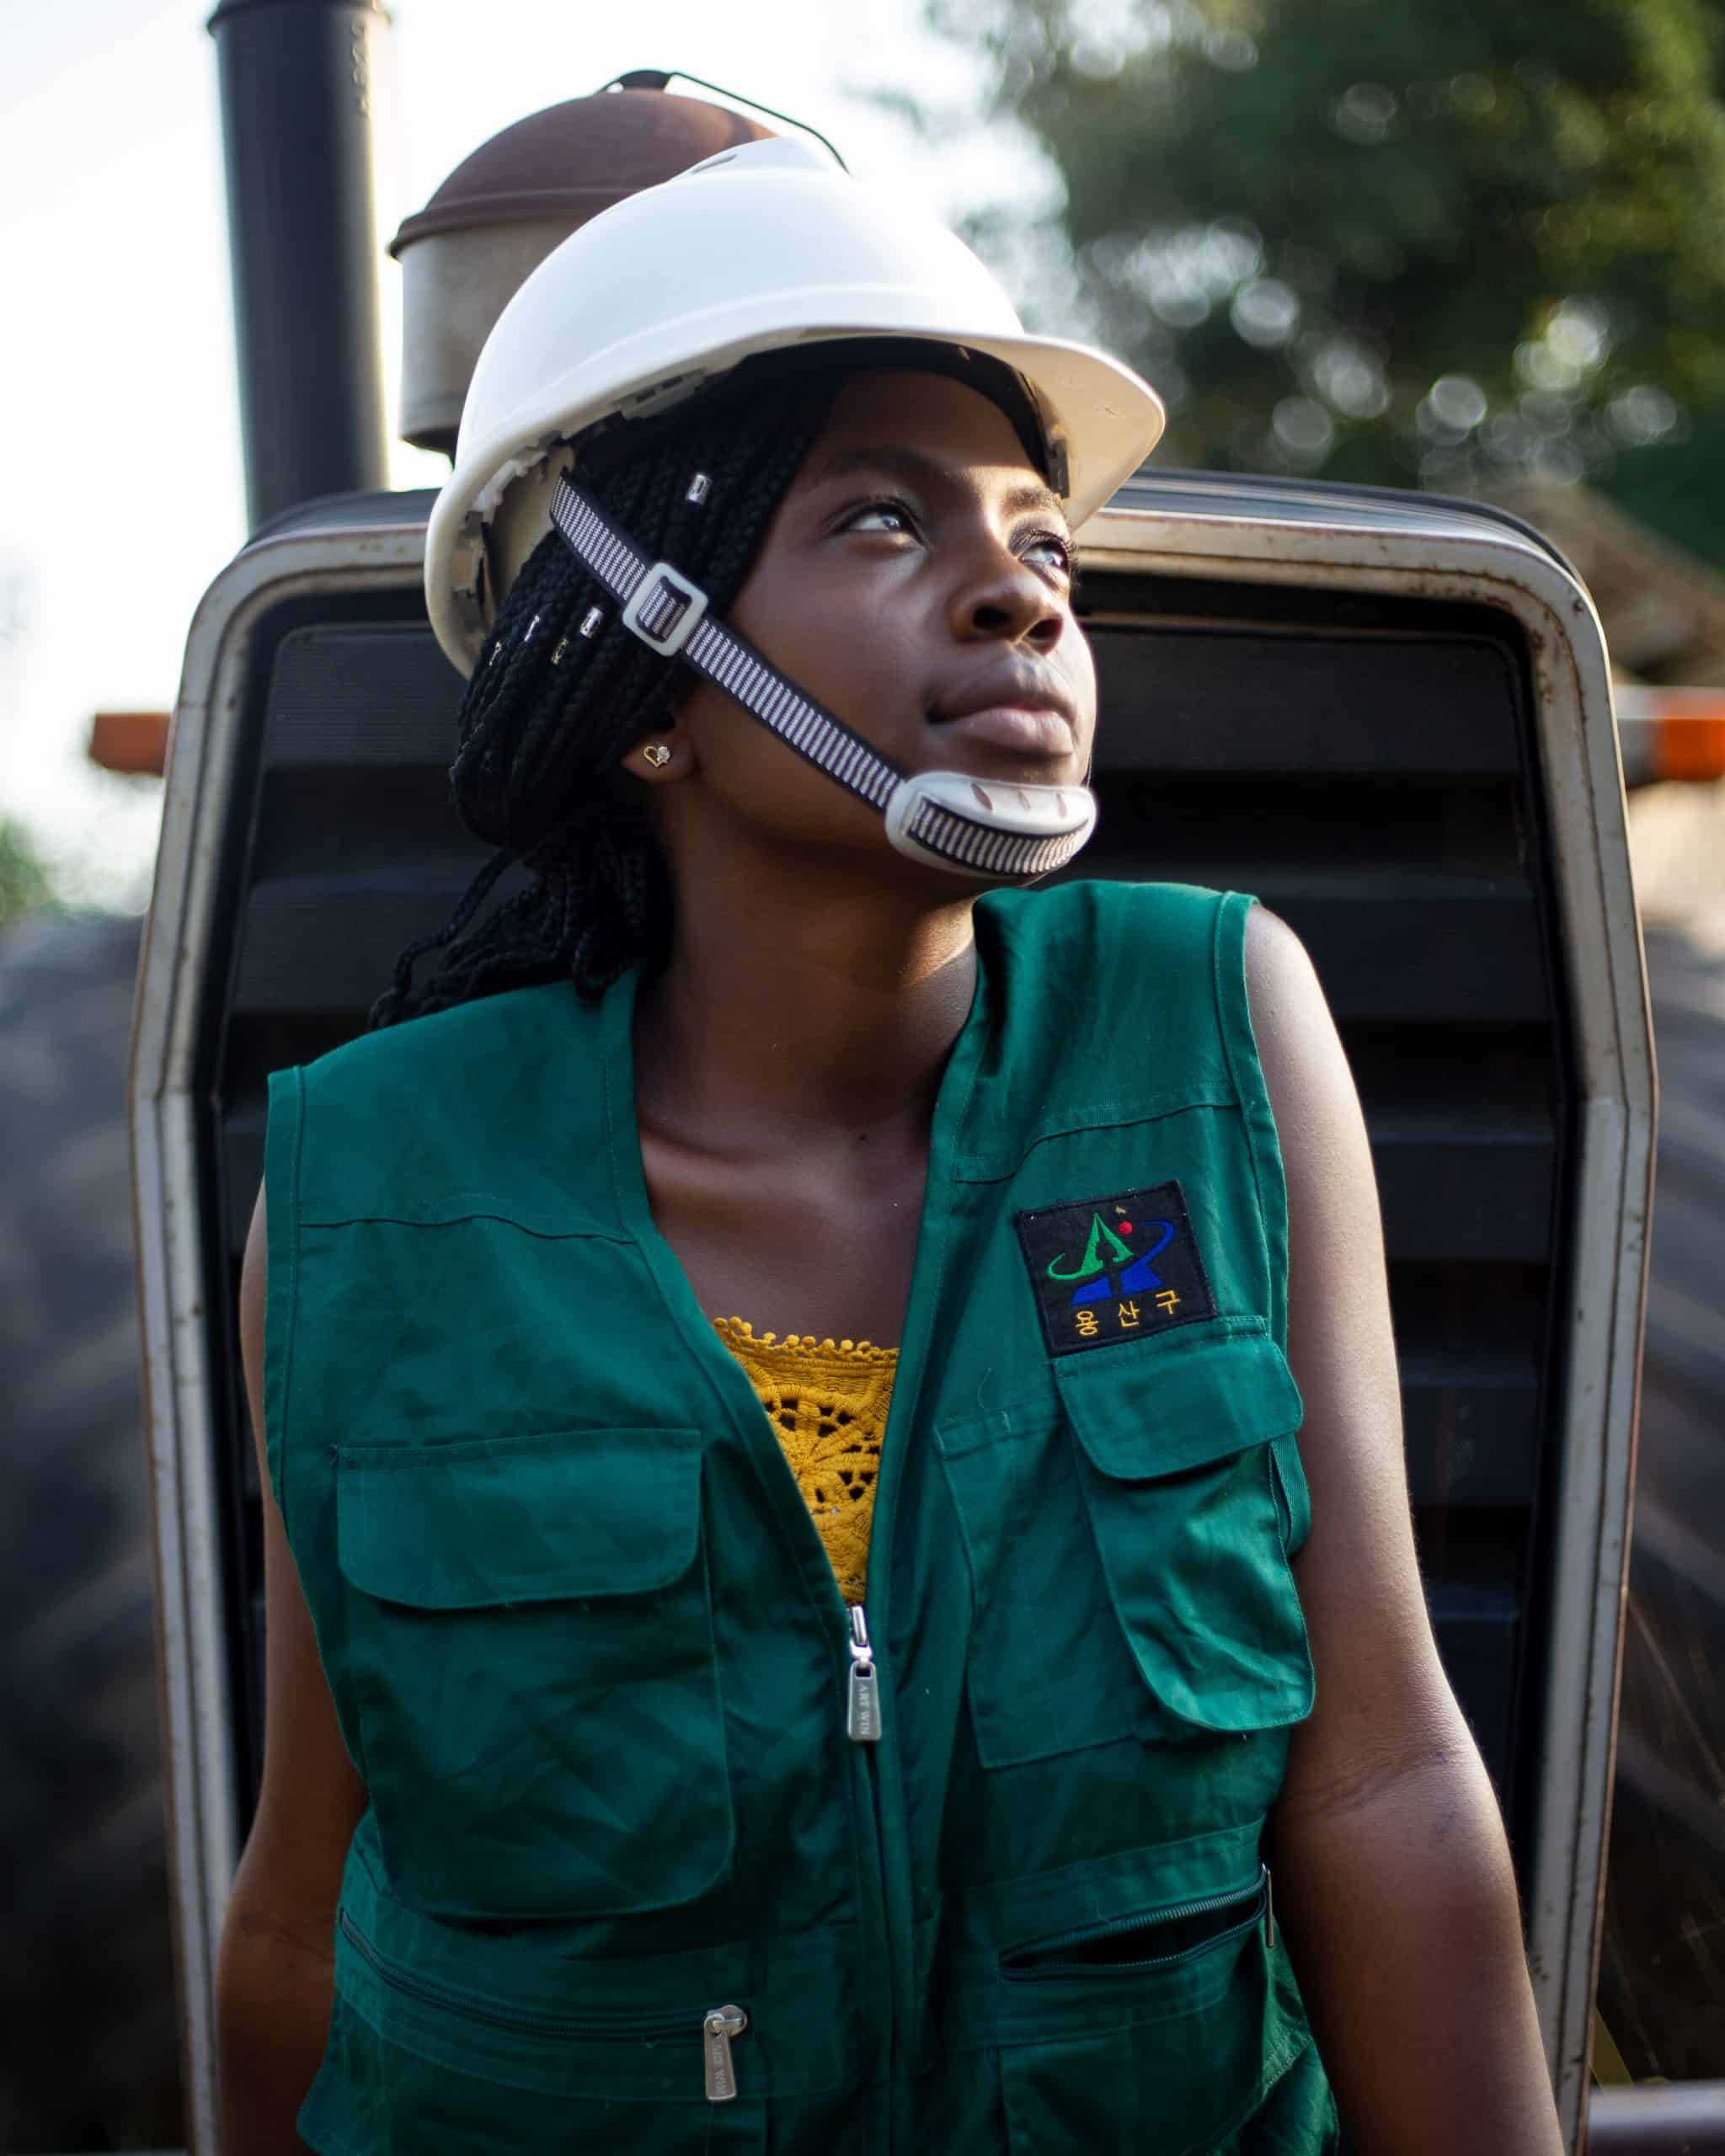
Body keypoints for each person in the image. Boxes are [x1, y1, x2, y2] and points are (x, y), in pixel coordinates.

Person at [216, 139, 1565, 2153]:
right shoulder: (360, 1203)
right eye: (879, 517)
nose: (1020, 584)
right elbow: (308, 1904)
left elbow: (1381, 1779)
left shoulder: (1217, 1030)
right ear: (639, 661)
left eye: (1042, 538)